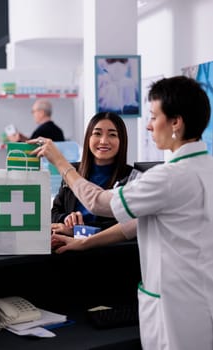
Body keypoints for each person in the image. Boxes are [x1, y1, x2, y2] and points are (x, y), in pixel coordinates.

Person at [28, 75, 213, 350]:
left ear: (176, 122)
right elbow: (134, 225)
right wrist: (84, 243)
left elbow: (100, 203)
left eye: (153, 116)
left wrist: (60, 163)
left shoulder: (167, 177)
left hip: (175, 305)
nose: (149, 125)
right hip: (199, 297)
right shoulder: (205, 167)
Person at [51, 112, 133, 237]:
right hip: (67, 247)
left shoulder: (131, 177)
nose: (104, 141)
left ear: (122, 140)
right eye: (97, 134)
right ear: (88, 138)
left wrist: (79, 231)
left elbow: (122, 224)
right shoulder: (73, 171)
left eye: (112, 135)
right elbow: (55, 212)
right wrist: (67, 218)